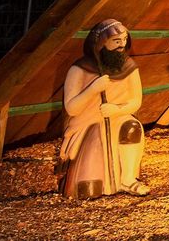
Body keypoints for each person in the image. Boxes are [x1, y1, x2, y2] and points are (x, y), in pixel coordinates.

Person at [57, 19, 149, 199]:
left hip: (117, 118)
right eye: (116, 41)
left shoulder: (129, 67)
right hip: (87, 125)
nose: (122, 45)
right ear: (100, 43)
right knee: (88, 189)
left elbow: (136, 101)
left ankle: (128, 179)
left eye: (124, 40)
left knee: (131, 127)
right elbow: (72, 108)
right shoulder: (79, 69)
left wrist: (117, 110)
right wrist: (93, 89)